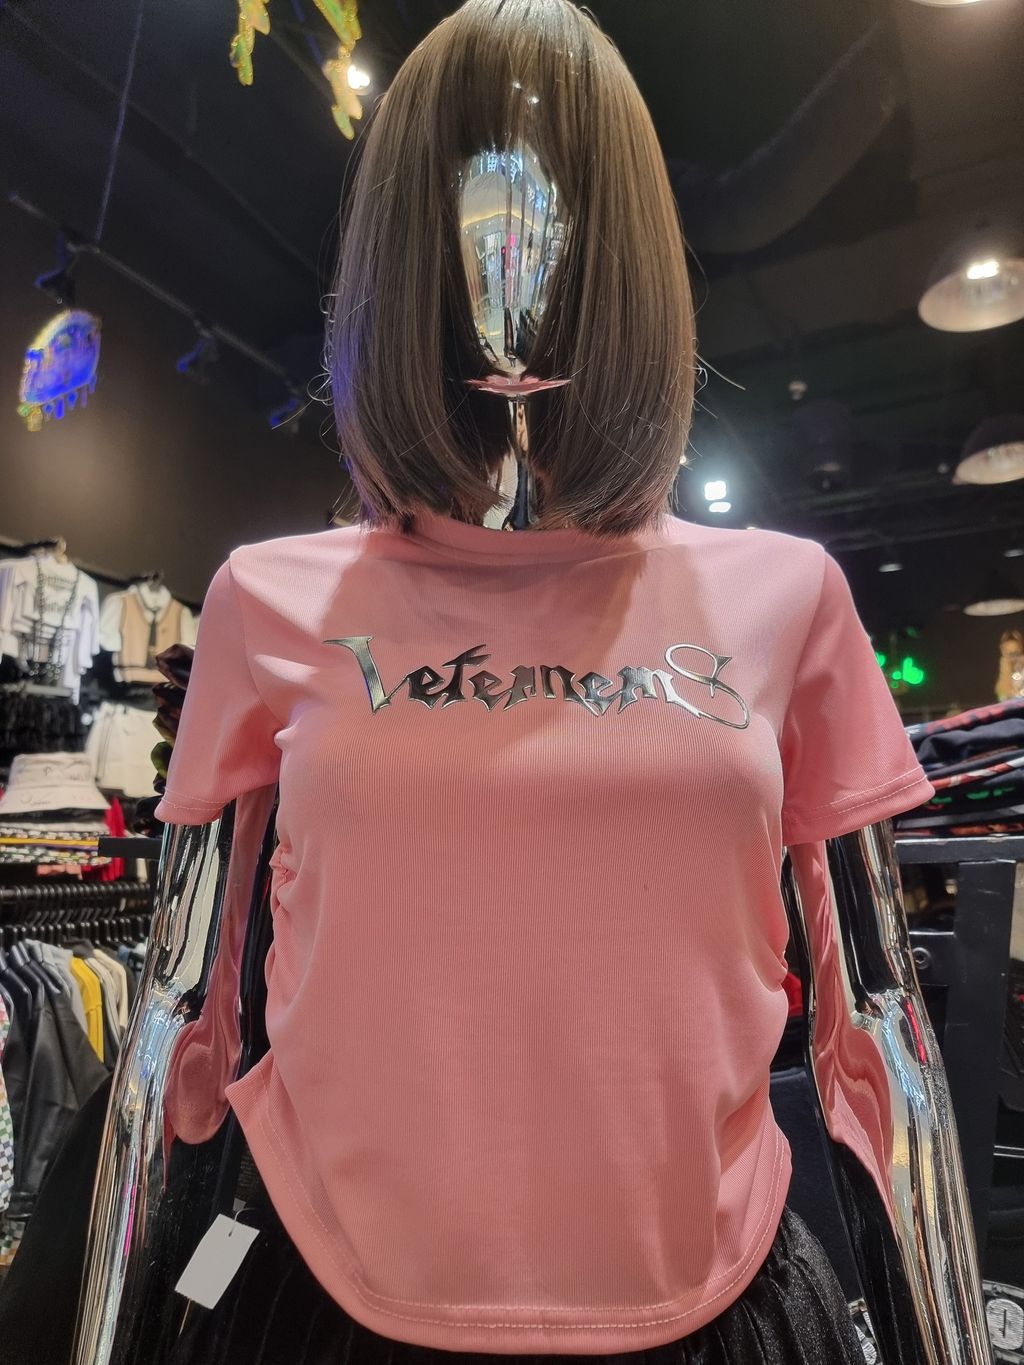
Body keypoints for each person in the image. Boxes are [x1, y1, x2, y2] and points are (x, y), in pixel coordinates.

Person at [87, 3, 949, 1362]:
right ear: (403, 250)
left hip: (707, 1302)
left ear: (624, 251)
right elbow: (170, 1032)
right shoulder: (269, 601)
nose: (512, 260)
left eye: (554, 208)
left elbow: (884, 1037)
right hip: (330, 1301)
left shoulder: (787, 600)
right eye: (471, 210)